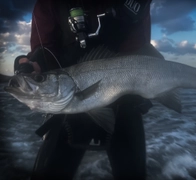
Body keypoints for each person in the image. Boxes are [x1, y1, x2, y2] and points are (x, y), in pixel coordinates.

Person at [14, 0, 164, 179]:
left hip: (126, 101)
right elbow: (44, 49)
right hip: (67, 101)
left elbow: (138, 50)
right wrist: (34, 66)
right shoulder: (48, 4)